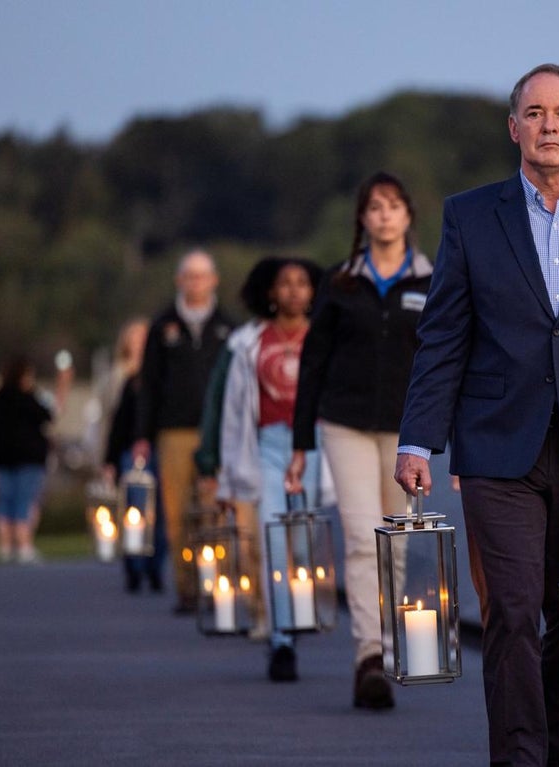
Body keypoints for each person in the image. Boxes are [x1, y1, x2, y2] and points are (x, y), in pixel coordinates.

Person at [394, 64, 559, 766]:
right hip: (495, 448)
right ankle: (518, 755)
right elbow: (444, 334)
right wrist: (418, 438)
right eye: (533, 113)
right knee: (509, 610)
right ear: (514, 128)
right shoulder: (472, 215)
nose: (548, 125)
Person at [287, 172, 434, 709]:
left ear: (408, 215)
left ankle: (391, 643)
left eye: (394, 205)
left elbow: (444, 359)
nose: (384, 215)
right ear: (362, 219)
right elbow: (313, 363)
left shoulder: (429, 280)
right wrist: (300, 445)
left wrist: (447, 436)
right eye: (374, 207)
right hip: (344, 422)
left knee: (395, 538)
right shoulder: (340, 282)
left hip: (407, 429)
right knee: (358, 535)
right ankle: (368, 655)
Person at [217, 256, 325, 682]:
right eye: (285, 283)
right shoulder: (248, 342)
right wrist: (226, 475)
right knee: (272, 537)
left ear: (315, 291)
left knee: (303, 543)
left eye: (303, 282)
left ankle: (298, 615)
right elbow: (231, 412)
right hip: (267, 445)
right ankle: (281, 639)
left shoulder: (324, 336)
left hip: (314, 446)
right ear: (270, 292)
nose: (294, 290)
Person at [133, 250, 236, 614]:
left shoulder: (228, 326)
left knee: (214, 508)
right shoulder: (163, 326)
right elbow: (149, 384)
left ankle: (217, 584)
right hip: (173, 429)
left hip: (218, 430)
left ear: (214, 280)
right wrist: (143, 433)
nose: (195, 282)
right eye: (189, 276)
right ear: (179, 281)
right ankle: (187, 587)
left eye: (202, 275)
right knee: (177, 512)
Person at [99, 317, 164, 592]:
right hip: (130, 450)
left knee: (158, 513)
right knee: (134, 510)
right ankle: (134, 565)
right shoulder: (123, 379)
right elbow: (115, 421)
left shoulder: (162, 374)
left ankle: (155, 565)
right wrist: (109, 459)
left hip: (158, 448)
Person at [0, 354, 68, 564]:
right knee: (25, 500)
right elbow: (50, 415)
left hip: (4, 459)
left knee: (5, 501)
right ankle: (23, 545)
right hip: (28, 459)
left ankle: (5, 546)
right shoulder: (28, 398)